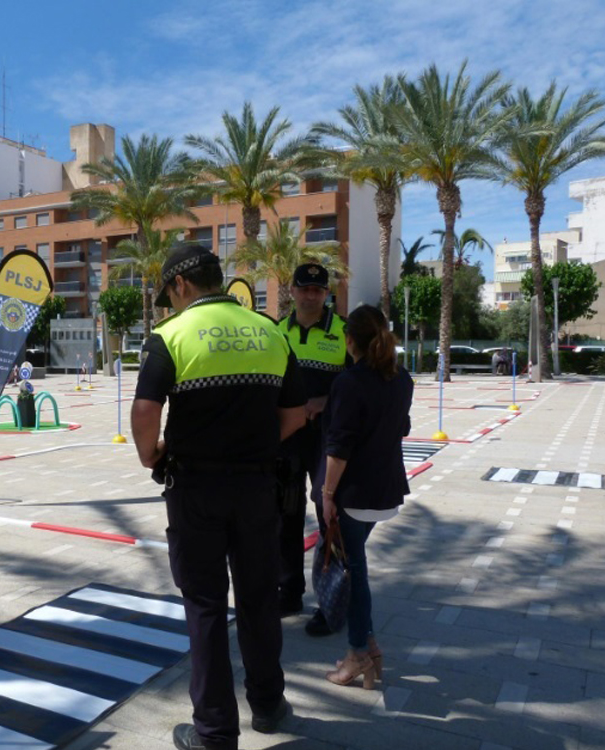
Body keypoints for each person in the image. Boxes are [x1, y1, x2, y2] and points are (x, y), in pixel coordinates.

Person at [131, 244, 307, 750]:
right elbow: (296, 414)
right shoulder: (269, 331)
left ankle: (214, 734)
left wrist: (152, 454)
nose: (168, 303)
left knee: (206, 605)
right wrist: (256, 445)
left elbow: (145, 412)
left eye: (168, 294)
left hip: (196, 490)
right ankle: (269, 705)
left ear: (181, 285)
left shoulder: (171, 336)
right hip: (257, 487)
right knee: (257, 599)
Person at [316, 305, 413, 689]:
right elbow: (401, 426)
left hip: (354, 493)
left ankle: (358, 653)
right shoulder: (401, 378)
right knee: (357, 567)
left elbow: (339, 448)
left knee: (355, 573)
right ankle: (368, 649)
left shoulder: (349, 382)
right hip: (386, 490)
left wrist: (326, 494)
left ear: (349, 340)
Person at [275, 263, 350, 636]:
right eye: (304, 288)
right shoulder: (275, 332)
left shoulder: (343, 331)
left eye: (317, 290)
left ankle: (331, 602)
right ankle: (289, 593)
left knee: (328, 514)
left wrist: (324, 400)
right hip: (287, 439)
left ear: (326, 294)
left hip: (326, 439)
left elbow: (360, 384)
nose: (310, 295)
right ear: (291, 290)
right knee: (286, 516)